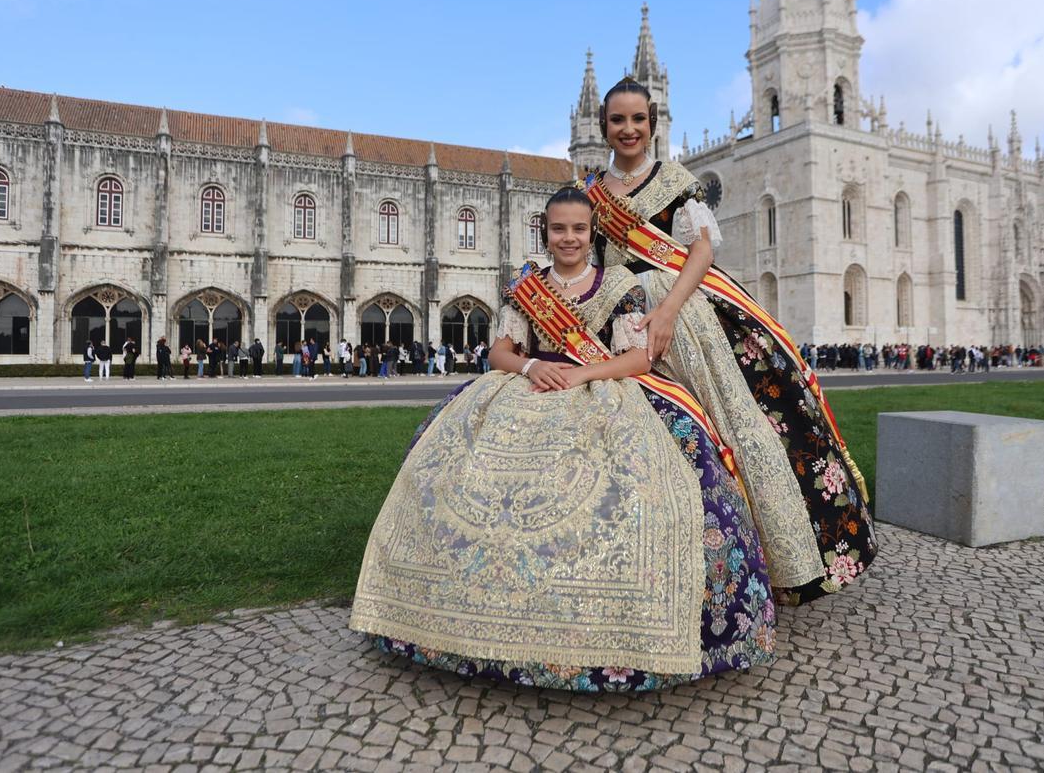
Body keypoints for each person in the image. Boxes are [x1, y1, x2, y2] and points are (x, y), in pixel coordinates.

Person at [352, 187, 779, 692]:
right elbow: (501, 353)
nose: (569, 238)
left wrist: (582, 375)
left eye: (578, 228)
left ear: (591, 232)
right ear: (546, 232)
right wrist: (533, 365)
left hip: (601, 390)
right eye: (559, 229)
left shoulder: (620, 285)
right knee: (448, 476)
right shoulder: (527, 287)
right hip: (524, 389)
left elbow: (639, 360)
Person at [584, 77, 876, 605]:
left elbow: (699, 252)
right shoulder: (593, 194)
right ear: (602, 126)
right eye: (617, 120)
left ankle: (773, 563)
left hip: (682, 315)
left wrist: (668, 310)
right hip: (616, 319)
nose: (628, 129)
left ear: (652, 125)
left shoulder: (674, 179)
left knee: (732, 424)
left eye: (638, 120)